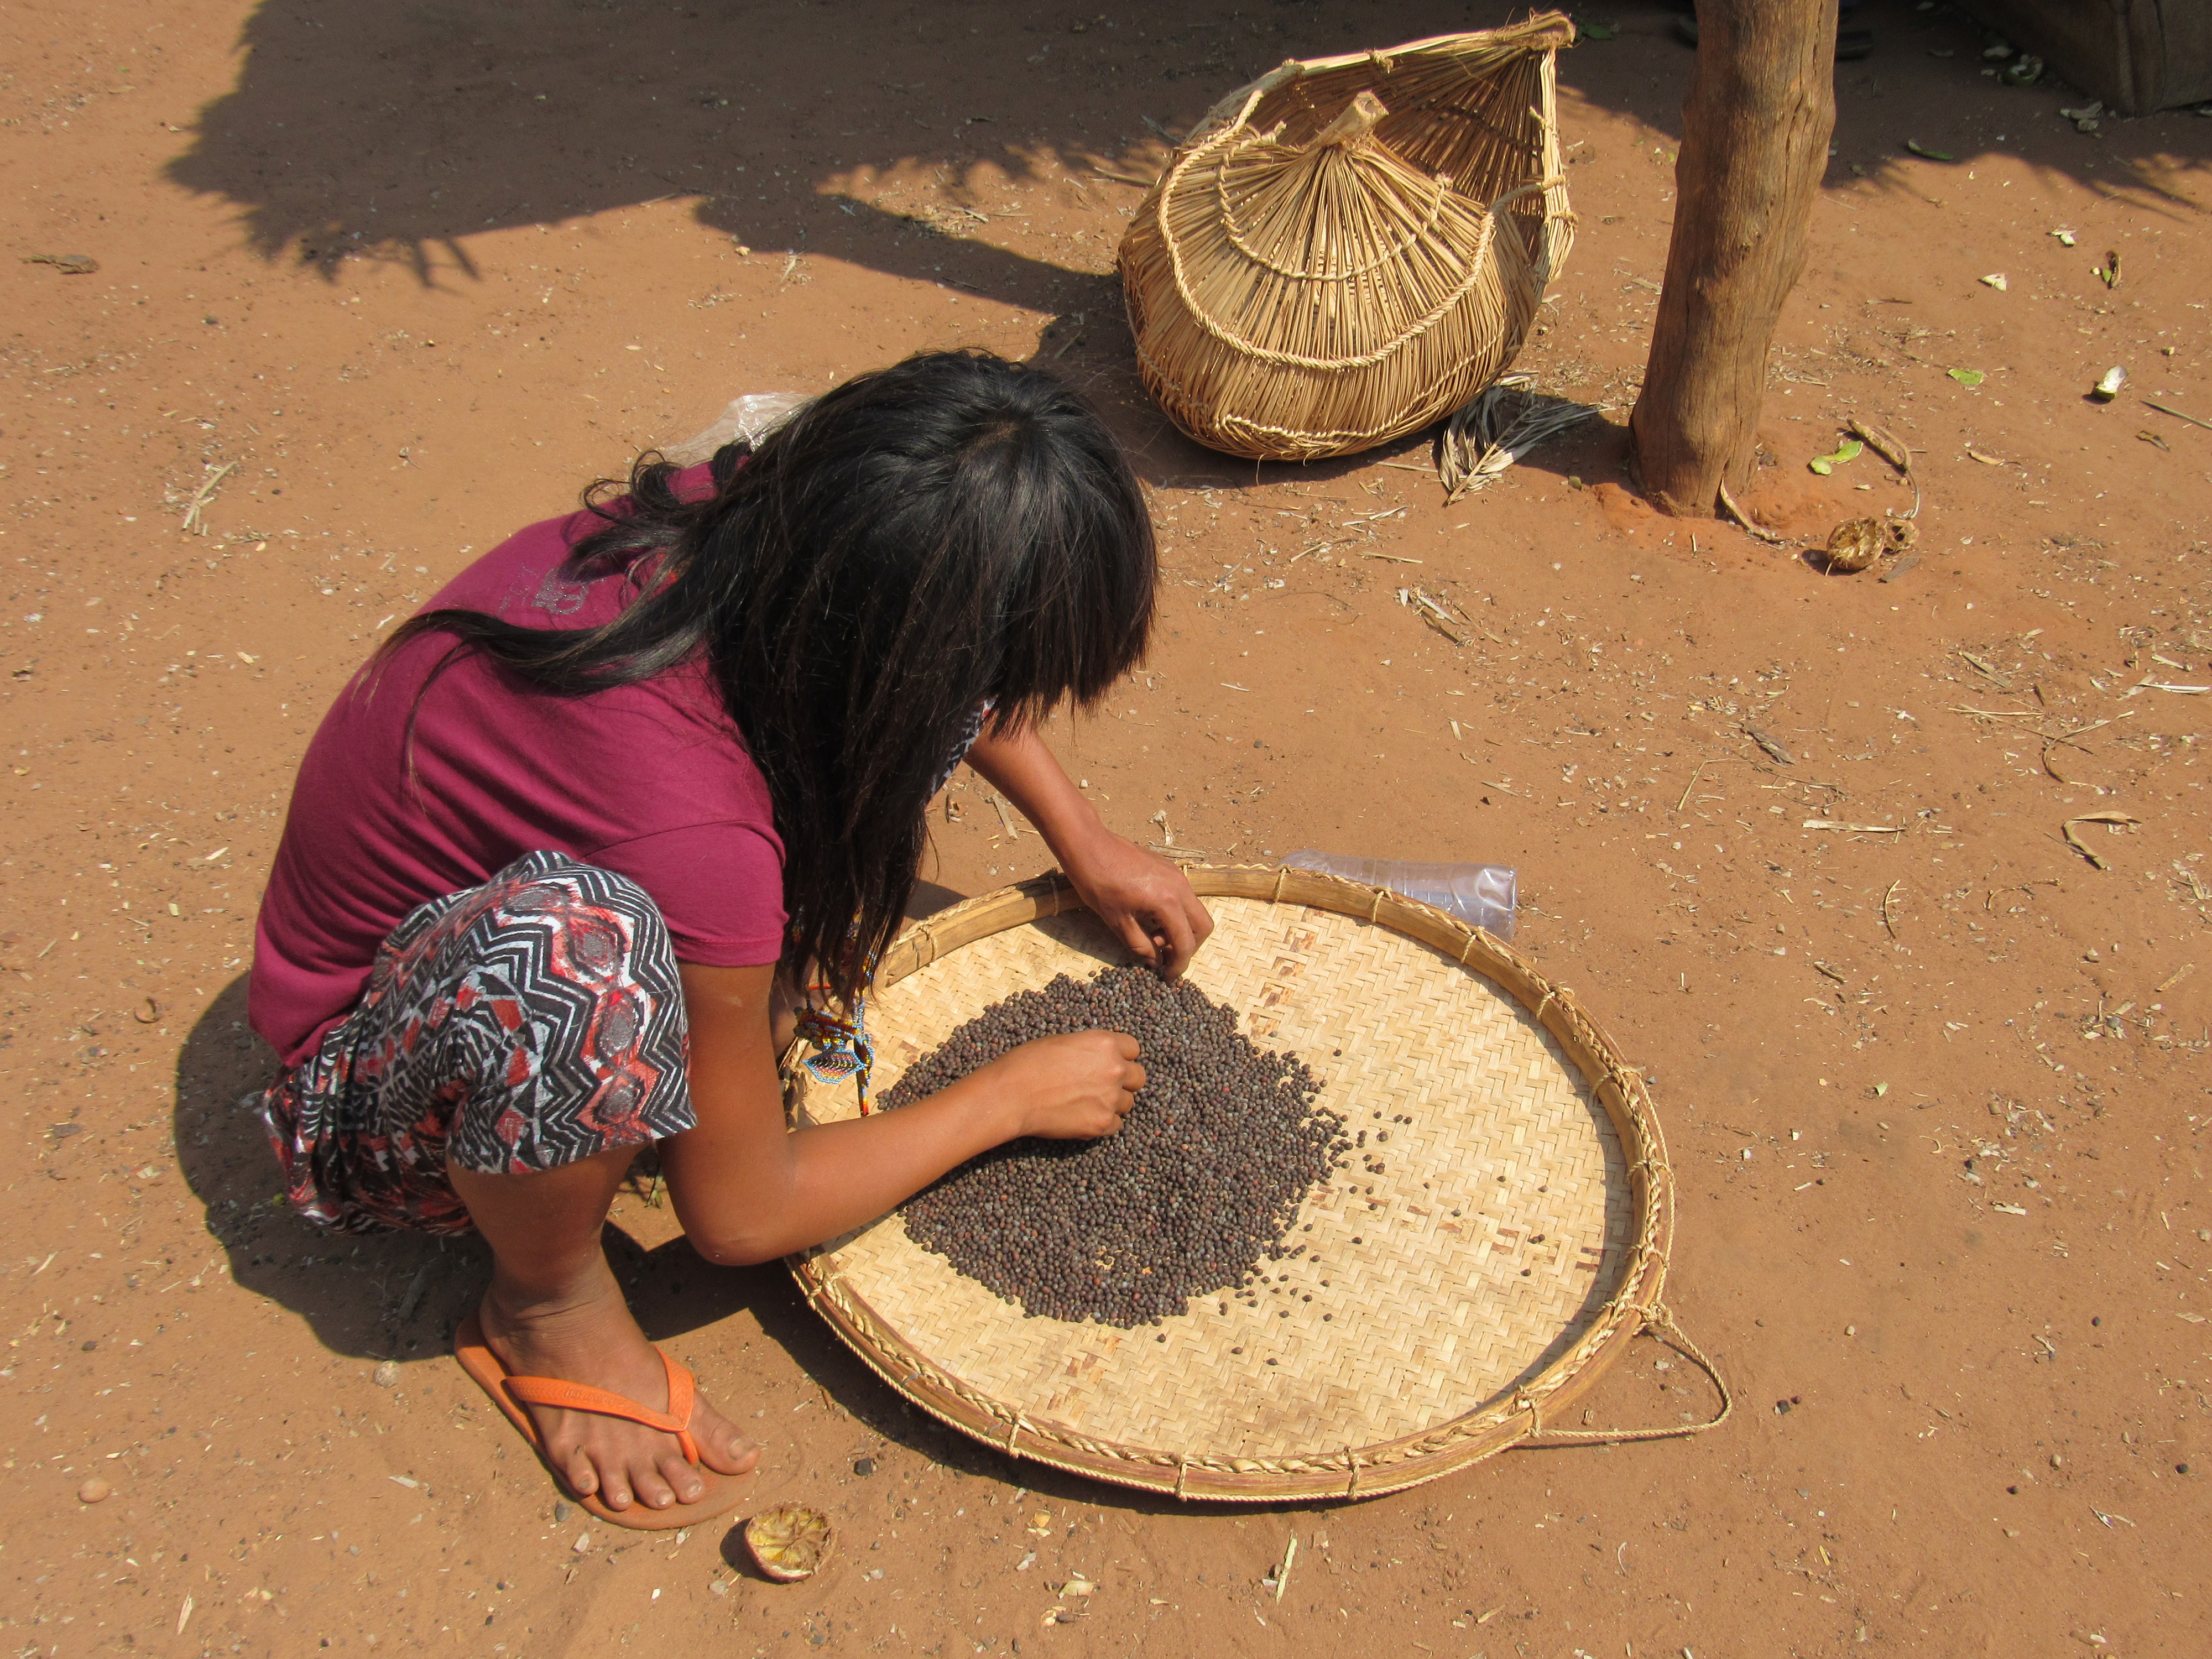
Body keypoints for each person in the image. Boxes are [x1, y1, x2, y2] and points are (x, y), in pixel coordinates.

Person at [247, 349, 1213, 1528]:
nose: (998, 704)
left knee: (806, 824)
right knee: (585, 966)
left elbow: (937, 667)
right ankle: (544, 1301)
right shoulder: (691, 826)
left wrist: (1083, 836)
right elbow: (741, 1218)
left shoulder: (764, 516)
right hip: (370, 1090)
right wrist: (1004, 1101)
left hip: (512, 906)